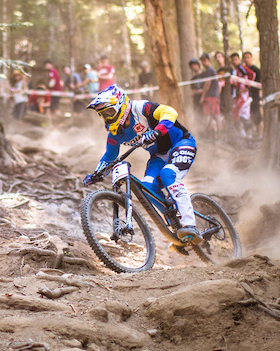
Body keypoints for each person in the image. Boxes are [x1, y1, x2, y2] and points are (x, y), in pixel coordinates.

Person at [82, 84, 202, 243]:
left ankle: (189, 224)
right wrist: (96, 174)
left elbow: (170, 112)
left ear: (121, 105)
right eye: (103, 115)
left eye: (110, 112)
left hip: (182, 142)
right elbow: (110, 156)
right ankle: (176, 225)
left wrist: (158, 130)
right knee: (147, 188)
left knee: (168, 174)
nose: (107, 117)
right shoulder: (115, 132)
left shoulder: (140, 108)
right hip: (158, 155)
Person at [230, 52, 256, 137]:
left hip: (244, 96)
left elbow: (252, 74)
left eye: (236, 59)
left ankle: (249, 137)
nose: (234, 62)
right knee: (237, 117)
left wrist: (247, 87)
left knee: (244, 117)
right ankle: (243, 137)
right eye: (232, 60)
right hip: (237, 97)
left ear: (239, 60)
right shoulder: (235, 71)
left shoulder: (241, 68)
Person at [199, 53, 221, 136]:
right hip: (215, 96)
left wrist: (203, 97)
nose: (203, 63)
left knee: (208, 115)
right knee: (216, 115)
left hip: (210, 96)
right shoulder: (213, 70)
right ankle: (219, 134)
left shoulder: (209, 70)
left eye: (205, 60)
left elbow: (207, 83)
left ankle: (210, 134)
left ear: (209, 60)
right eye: (202, 61)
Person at [242, 51, 262, 136]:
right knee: (247, 117)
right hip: (245, 97)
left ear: (251, 58)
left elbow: (260, 84)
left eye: (248, 57)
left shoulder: (256, 70)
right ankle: (250, 135)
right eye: (245, 57)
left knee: (257, 117)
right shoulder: (242, 70)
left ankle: (261, 135)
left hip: (255, 96)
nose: (246, 59)